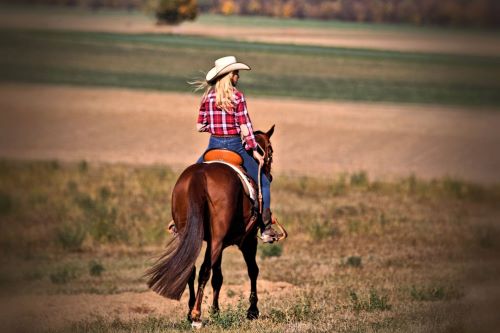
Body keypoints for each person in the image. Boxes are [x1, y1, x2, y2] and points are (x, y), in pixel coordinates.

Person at [192, 56, 278, 243]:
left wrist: (215, 128)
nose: (238, 76)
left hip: (213, 145)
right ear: (229, 76)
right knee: (263, 182)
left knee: (192, 176)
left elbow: (200, 125)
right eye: (236, 73)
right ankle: (265, 228)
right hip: (235, 146)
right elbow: (246, 128)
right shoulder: (238, 97)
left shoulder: (207, 97)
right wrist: (254, 150)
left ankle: (179, 222)